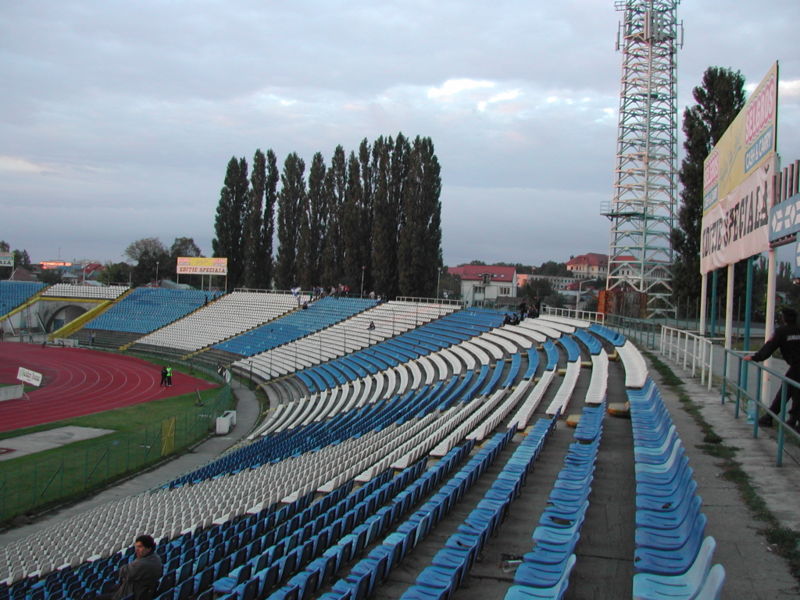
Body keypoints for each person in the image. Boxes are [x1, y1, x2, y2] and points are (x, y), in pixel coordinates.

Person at [744, 307, 800, 428]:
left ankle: (770, 418)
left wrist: (755, 357)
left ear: (784, 318)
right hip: (796, 367)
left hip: (796, 367)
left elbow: (770, 347)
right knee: (795, 392)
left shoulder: (781, 331)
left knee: (786, 391)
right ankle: (791, 420)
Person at [97, 534, 162, 600]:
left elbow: (123, 572)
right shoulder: (156, 557)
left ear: (148, 548)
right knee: (109, 588)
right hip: (143, 589)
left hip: (135, 593)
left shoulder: (142, 564)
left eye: (140, 547)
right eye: (136, 547)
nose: (136, 550)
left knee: (98, 597)